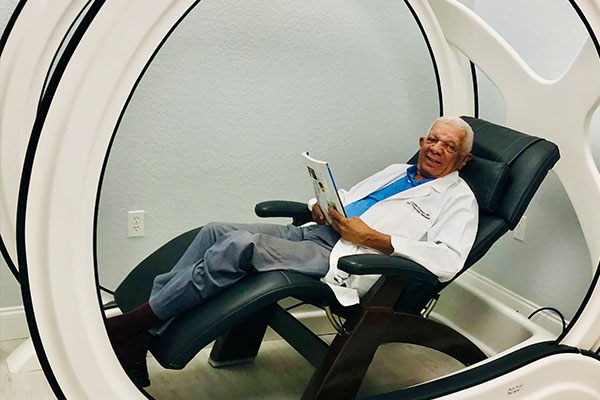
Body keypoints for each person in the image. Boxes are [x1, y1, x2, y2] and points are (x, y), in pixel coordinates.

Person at [106, 116, 478, 386]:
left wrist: (377, 240)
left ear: (463, 161)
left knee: (241, 246)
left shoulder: (460, 200)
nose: (436, 149)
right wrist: (321, 205)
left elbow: (448, 259)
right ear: (421, 141)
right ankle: (142, 335)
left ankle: (132, 326)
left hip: (350, 260)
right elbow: (350, 200)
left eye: (449, 147)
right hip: (319, 231)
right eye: (433, 140)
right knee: (214, 230)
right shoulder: (399, 170)